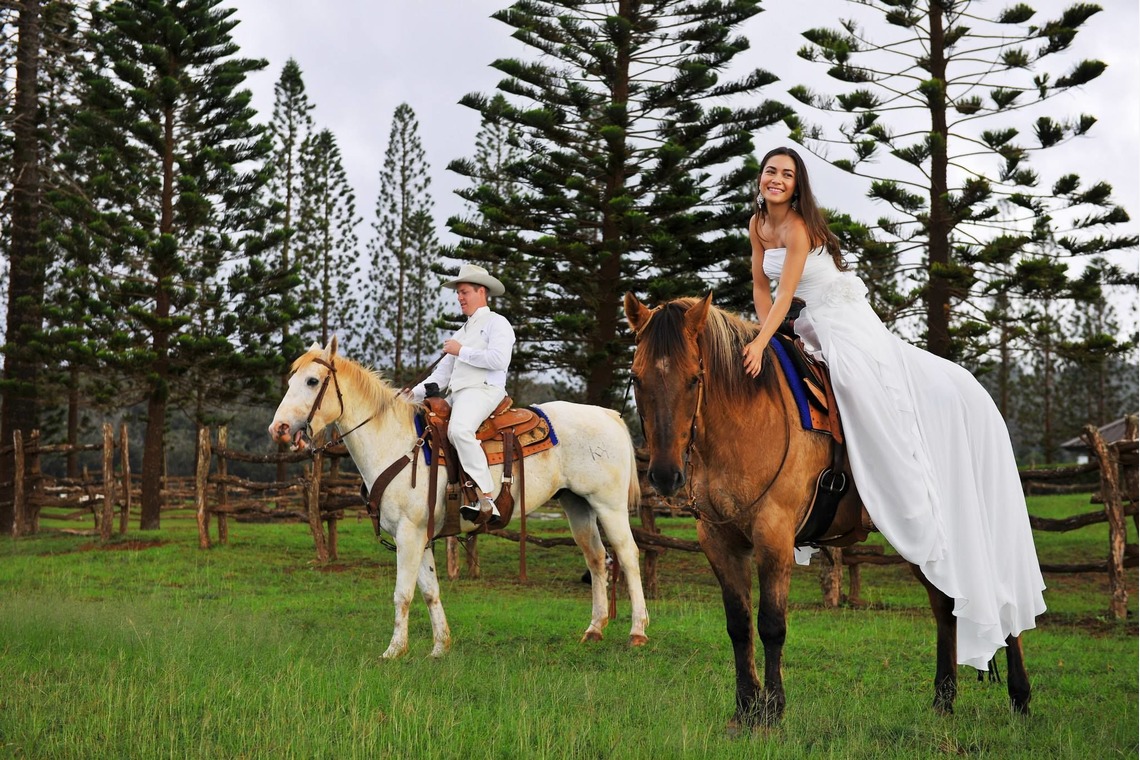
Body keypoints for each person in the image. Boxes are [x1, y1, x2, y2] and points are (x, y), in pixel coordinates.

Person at [742, 146, 1046, 669]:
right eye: (771, 171)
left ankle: (896, 481)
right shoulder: (757, 224)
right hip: (807, 322)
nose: (777, 180)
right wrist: (763, 337)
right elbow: (760, 287)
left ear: (797, 187)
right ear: (761, 178)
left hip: (842, 319)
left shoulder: (796, 229)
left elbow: (788, 291)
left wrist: (760, 343)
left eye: (787, 175)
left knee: (864, 393)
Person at [407, 263, 515, 524]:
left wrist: (461, 351)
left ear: (481, 291)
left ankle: (486, 498)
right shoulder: (461, 332)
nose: (459, 297)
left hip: (483, 390)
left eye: (464, 291)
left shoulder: (497, 323)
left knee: (459, 430)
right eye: (458, 293)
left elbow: (499, 360)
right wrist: (409, 396)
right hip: (458, 394)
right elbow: (440, 378)